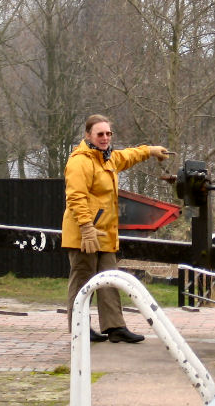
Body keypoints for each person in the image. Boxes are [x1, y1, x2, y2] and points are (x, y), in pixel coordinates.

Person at [62, 114, 169, 343]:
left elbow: (129, 155)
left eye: (108, 134)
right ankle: (79, 328)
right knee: (83, 281)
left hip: (105, 234)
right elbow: (76, 197)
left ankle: (115, 327)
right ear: (88, 135)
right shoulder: (80, 161)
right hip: (85, 234)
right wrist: (86, 227)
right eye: (100, 134)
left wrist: (150, 150)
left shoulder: (107, 158)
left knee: (109, 279)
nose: (105, 138)